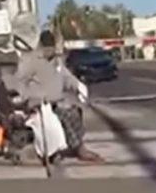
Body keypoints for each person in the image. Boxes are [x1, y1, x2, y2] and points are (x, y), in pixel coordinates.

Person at [14, 29, 104, 163]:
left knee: (75, 111)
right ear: (41, 46)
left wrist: (79, 86)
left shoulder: (56, 62)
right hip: (38, 105)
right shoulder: (31, 61)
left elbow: (66, 77)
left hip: (55, 103)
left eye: (52, 48)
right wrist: (28, 97)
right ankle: (72, 150)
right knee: (66, 115)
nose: (51, 52)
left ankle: (77, 146)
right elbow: (19, 82)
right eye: (48, 49)